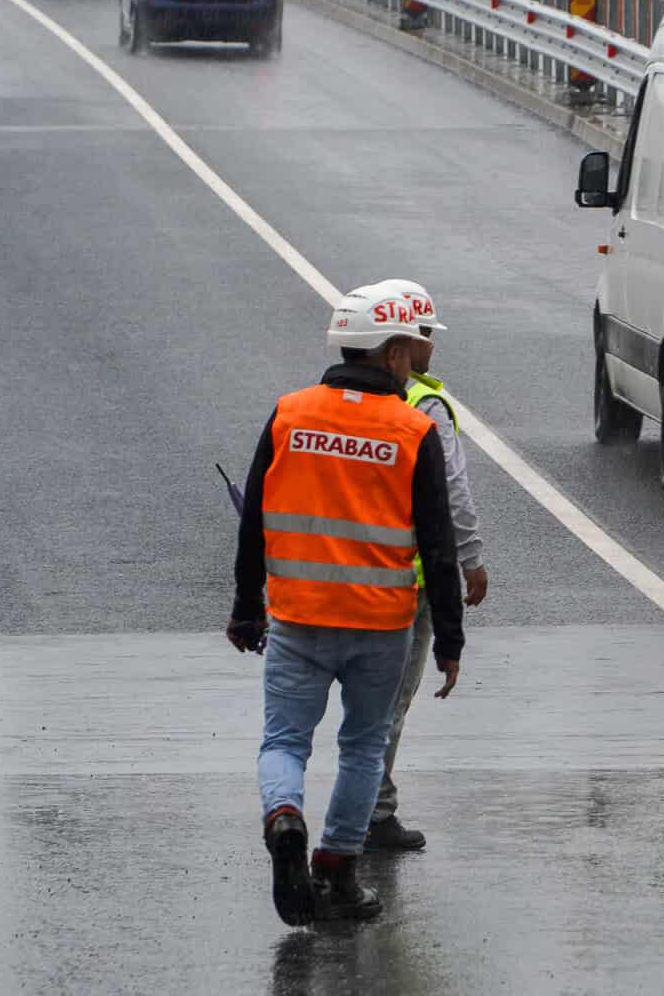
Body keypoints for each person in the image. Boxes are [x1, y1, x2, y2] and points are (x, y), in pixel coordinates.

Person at [227, 282, 467, 926]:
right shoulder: (413, 429)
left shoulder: (289, 414)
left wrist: (246, 608)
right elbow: (439, 548)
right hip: (380, 624)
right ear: (391, 353)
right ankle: (336, 870)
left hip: (299, 616)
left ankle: (283, 816)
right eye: (411, 345)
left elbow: (255, 523)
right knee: (362, 747)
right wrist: (449, 641)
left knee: (284, 740)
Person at [359, 280, 488, 853]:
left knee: (354, 704)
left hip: (340, 574)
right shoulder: (425, 407)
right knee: (388, 705)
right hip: (402, 584)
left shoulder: (341, 397)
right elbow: (451, 494)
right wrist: (472, 559)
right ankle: (372, 812)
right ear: (403, 345)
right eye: (427, 336)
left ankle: (355, 805)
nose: (433, 347)